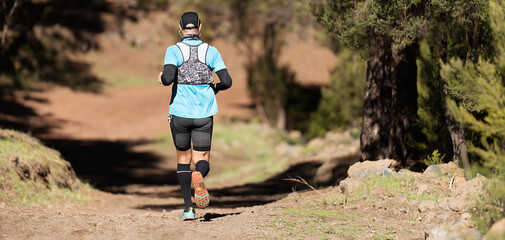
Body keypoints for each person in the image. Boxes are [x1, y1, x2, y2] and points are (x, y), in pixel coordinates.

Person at [157, 11, 232, 221]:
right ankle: (199, 173)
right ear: (200, 28)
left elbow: (168, 78)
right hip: (204, 114)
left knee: (183, 159)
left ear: (180, 29)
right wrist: (214, 88)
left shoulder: (173, 50)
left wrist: (162, 76)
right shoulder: (212, 51)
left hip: (179, 114)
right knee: (201, 159)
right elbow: (227, 81)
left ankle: (188, 209)